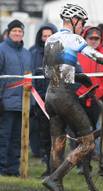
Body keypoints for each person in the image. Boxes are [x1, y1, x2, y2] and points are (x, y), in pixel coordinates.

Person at [42, 4, 103, 191]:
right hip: (64, 96)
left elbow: (48, 72)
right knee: (88, 143)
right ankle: (55, 178)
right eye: (82, 23)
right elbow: (98, 57)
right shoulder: (74, 38)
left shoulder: (50, 39)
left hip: (50, 95)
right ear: (74, 21)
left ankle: (56, 183)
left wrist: (76, 76)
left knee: (58, 143)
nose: (82, 26)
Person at [0, 19, 32, 176]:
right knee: (3, 137)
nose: (17, 33)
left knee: (17, 139)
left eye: (20, 31)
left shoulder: (27, 54)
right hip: (5, 103)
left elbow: (30, 79)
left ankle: (12, 169)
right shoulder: (1, 50)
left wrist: (31, 102)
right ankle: (1, 168)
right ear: (8, 33)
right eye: (14, 31)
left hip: (23, 104)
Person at [29, 23, 58, 177]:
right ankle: (48, 167)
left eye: (50, 35)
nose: (47, 38)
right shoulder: (33, 53)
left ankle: (57, 168)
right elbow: (31, 76)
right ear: (40, 37)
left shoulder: (61, 51)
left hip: (58, 101)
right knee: (44, 137)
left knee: (57, 136)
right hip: (40, 102)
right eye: (44, 36)